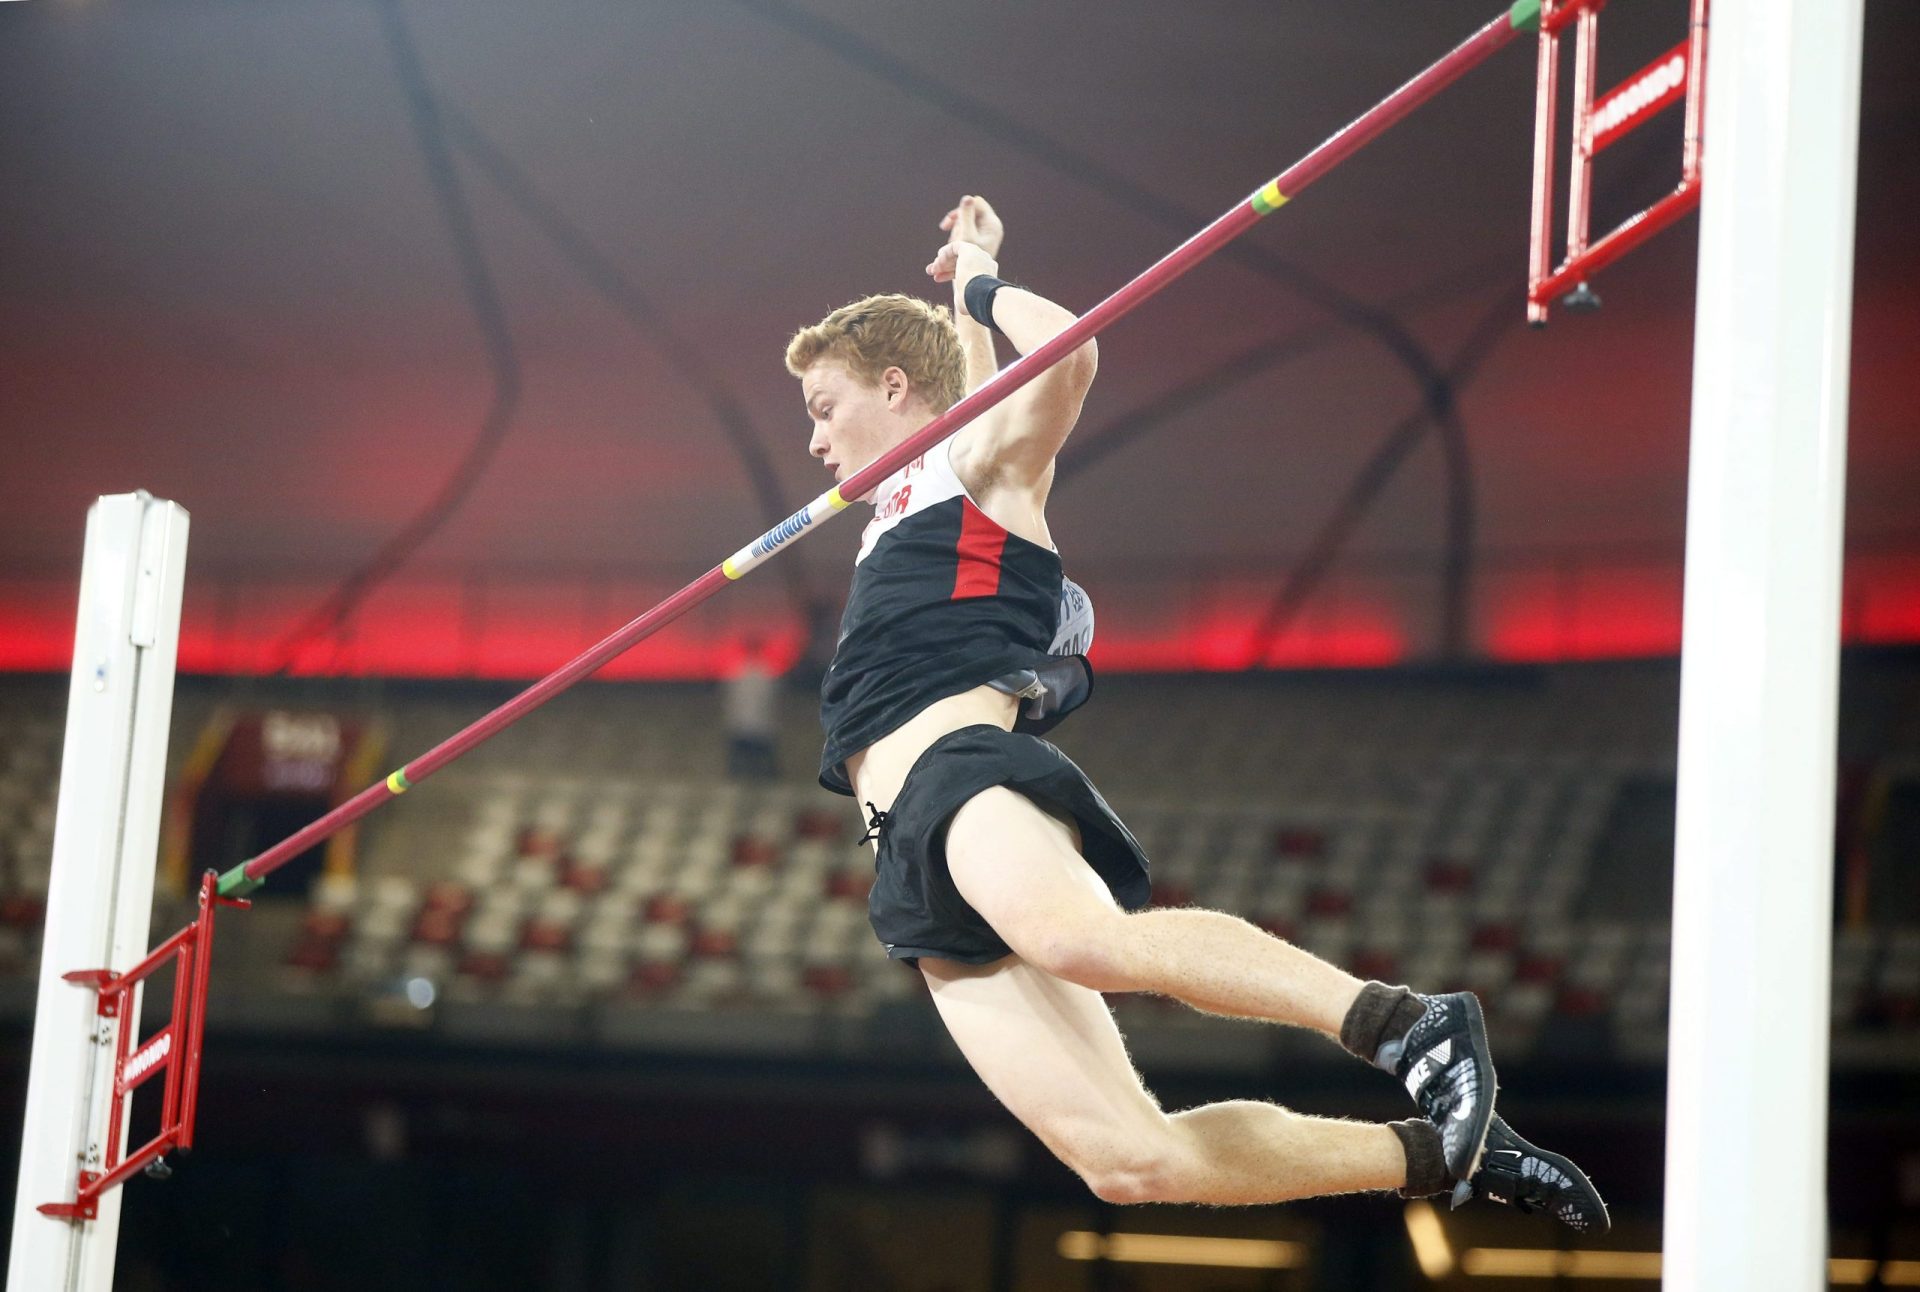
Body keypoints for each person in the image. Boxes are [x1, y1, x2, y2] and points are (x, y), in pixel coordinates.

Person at [785, 195, 1607, 1226]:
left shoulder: (976, 463)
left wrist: (988, 287)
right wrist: (965, 282)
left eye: (823, 403)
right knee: (1131, 1162)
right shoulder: (899, 505)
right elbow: (966, 375)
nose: (813, 438)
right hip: (900, 847)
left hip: (959, 773)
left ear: (892, 387)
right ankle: (1440, 1154)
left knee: (1080, 938)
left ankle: (1406, 1025)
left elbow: (1069, 359)